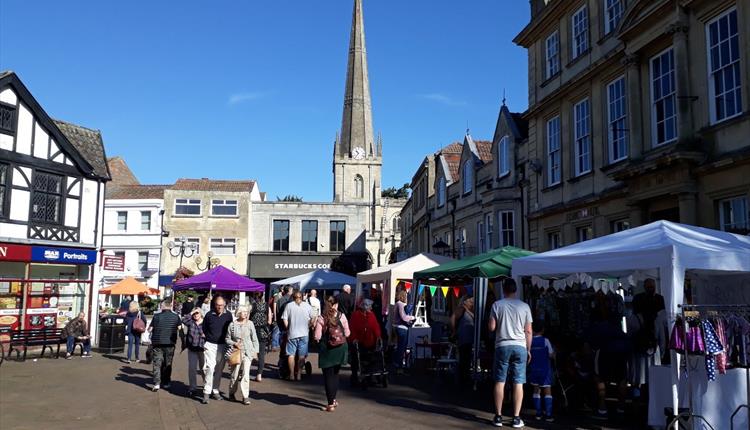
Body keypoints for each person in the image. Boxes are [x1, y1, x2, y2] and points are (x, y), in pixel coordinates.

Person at [488, 278, 533, 428]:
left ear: (503, 289)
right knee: (518, 382)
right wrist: (528, 349)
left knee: (500, 381)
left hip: (502, 345)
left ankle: (498, 416)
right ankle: (516, 418)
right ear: (516, 290)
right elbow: (528, 331)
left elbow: (491, 327)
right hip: (520, 345)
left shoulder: (497, 305)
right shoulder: (525, 306)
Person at [588, 306, 631, 420]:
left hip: (604, 354)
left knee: (600, 379)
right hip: (621, 354)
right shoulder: (619, 330)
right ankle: (621, 408)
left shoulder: (599, 327)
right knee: (622, 380)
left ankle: (602, 409)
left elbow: (592, 343)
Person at [314, 296, 351, 412]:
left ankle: (330, 403)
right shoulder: (342, 316)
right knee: (335, 374)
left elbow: (317, 336)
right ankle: (333, 399)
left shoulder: (321, 318)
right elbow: (348, 333)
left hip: (327, 349)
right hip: (341, 348)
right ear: (336, 305)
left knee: (328, 376)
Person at [202, 295, 233, 404]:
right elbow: (204, 328)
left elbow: (231, 330)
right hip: (210, 344)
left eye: (221, 305)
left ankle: (215, 390)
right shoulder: (209, 315)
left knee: (219, 369)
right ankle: (206, 391)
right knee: (210, 368)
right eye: (217, 305)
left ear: (225, 305)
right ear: (214, 305)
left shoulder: (229, 316)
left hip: (223, 345)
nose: (219, 307)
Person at [225, 306, 260, 405]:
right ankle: (232, 392)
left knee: (245, 374)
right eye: (243, 312)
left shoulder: (250, 324)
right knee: (235, 374)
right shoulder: (232, 325)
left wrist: (255, 351)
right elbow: (227, 339)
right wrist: (234, 343)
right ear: (238, 313)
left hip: (248, 352)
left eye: (246, 312)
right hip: (236, 352)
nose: (245, 314)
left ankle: (245, 396)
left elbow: (254, 339)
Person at [281, 290, 315, 380]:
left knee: (291, 354)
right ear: (302, 297)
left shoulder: (289, 306)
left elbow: (284, 319)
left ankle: (292, 374)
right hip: (304, 333)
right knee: (302, 355)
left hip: (292, 333)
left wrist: (288, 327)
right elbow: (314, 317)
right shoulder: (307, 306)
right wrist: (310, 325)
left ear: (293, 297)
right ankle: (299, 374)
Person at [149, 301, 181, 392]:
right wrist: (183, 342)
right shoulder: (176, 317)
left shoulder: (156, 316)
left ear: (162, 307)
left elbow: (150, 329)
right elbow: (180, 329)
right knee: (168, 363)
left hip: (157, 342)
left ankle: (157, 383)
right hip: (170, 343)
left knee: (157, 363)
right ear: (170, 306)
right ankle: (166, 382)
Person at [349, 298, 382, 385]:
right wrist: (354, 338)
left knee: (372, 358)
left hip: (370, 341)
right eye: (369, 306)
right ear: (364, 307)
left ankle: (371, 376)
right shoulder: (355, 315)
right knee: (356, 359)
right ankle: (355, 376)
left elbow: (376, 326)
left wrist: (378, 336)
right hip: (359, 341)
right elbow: (352, 328)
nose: (371, 308)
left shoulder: (371, 315)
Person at [528, 321, 555, 422]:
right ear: (543, 330)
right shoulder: (546, 340)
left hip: (534, 369)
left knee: (536, 390)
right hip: (545, 370)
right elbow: (551, 354)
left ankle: (538, 413)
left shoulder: (530, 341)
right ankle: (548, 414)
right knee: (547, 391)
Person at [182, 307, 206, 397]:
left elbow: (211, 333)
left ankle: (206, 385)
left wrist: (205, 335)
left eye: (197, 313)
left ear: (201, 314)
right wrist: (191, 311)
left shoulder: (205, 323)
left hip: (202, 348)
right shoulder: (191, 322)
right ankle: (192, 387)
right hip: (192, 348)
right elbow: (183, 320)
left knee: (204, 368)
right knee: (192, 368)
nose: (196, 315)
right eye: (194, 314)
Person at [451, 296, 475, 385]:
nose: (472, 302)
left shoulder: (470, 310)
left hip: (469, 339)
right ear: (465, 302)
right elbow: (453, 317)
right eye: (470, 300)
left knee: (467, 359)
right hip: (463, 338)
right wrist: (454, 331)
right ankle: (463, 379)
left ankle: (465, 377)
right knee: (464, 359)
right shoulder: (461, 309)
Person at [248, 293, 270, 382]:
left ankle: (246, 373)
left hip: (253, 332)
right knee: (261, 355)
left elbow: (248, 319)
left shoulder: (252, 306)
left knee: (249, 353)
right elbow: (269, 320)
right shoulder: (267, 306)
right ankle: (259, 374)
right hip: (263, 332)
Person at [392, 290, 415, 371]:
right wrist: (412, 317)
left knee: (398, 347)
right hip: (402, 328)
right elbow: (403, 317)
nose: (407, 298)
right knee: (402, 347)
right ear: (403, 296)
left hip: (396, 327)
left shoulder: (397, 303)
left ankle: (396, 363)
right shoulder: (401, 304)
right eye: (406, 296)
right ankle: (399, 366)